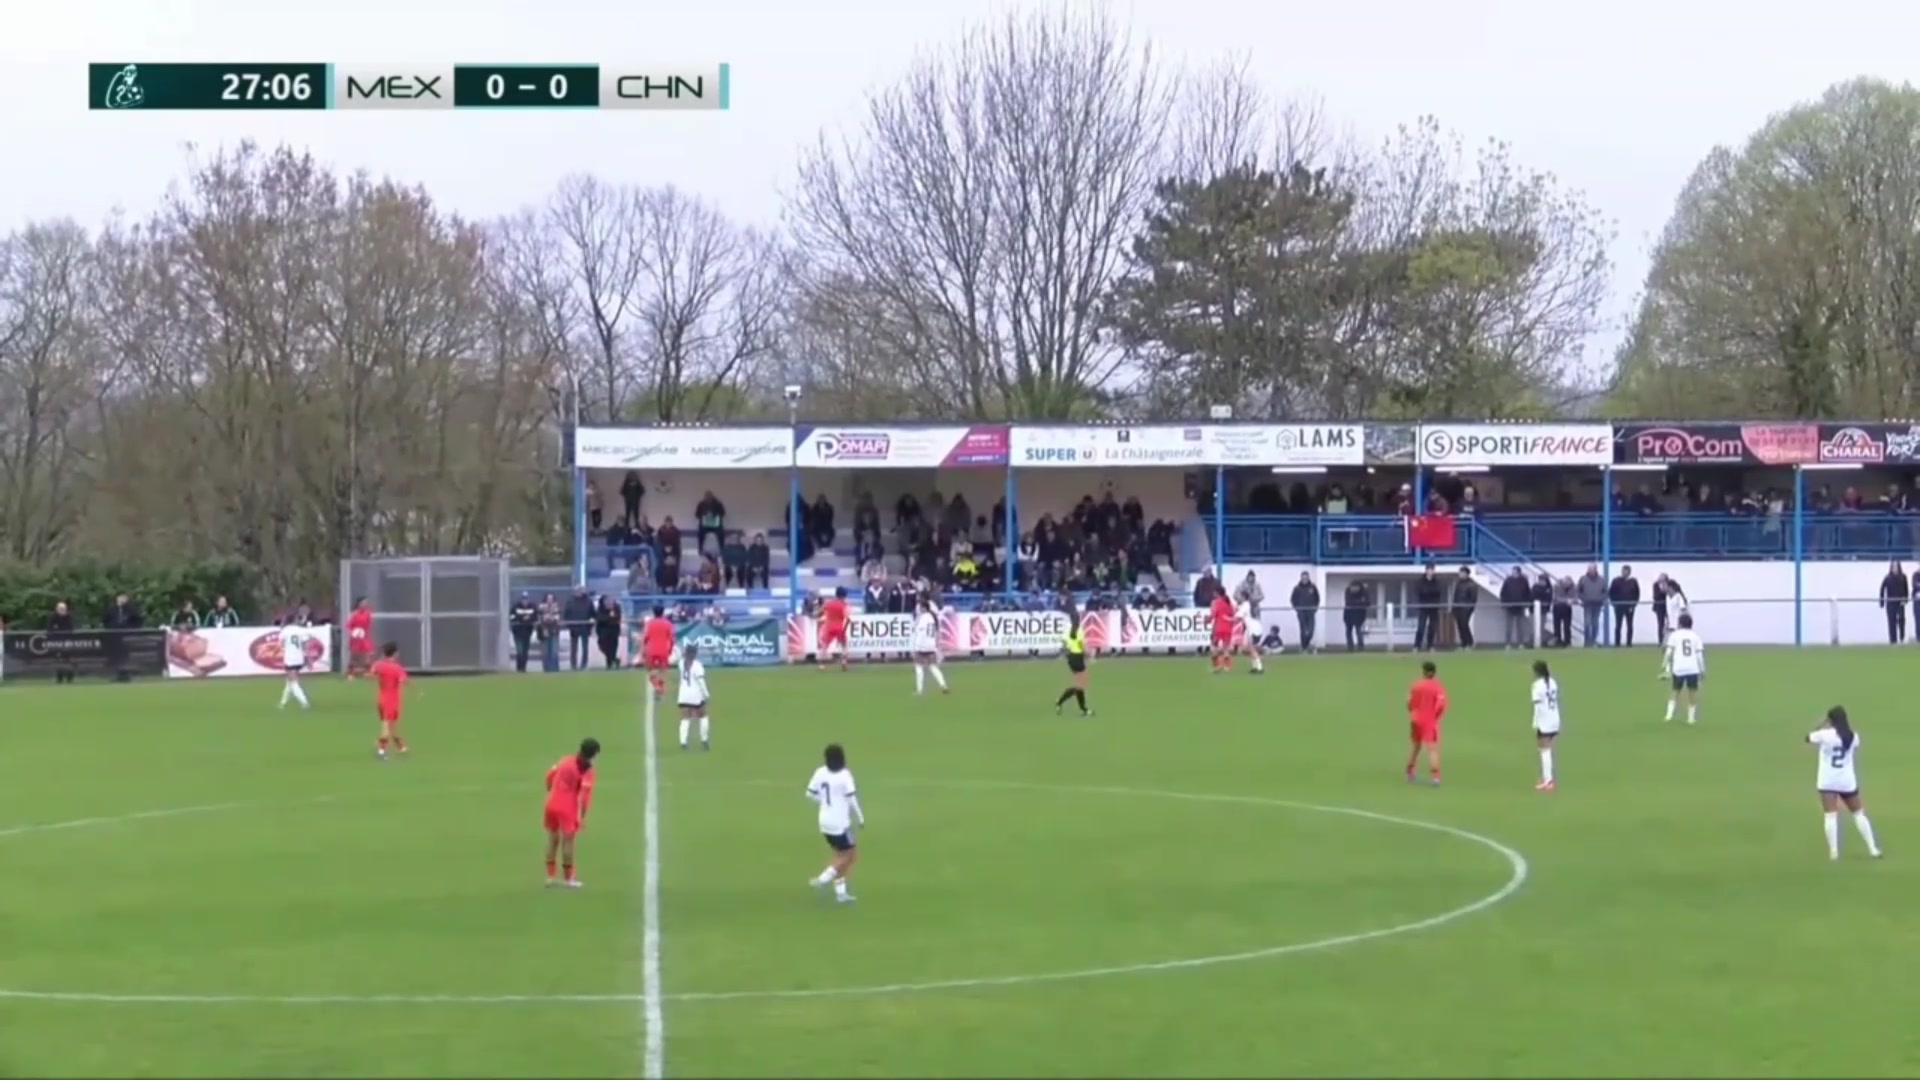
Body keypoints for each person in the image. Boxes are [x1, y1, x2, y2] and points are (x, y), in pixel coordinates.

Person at [1806, 706, 1882, 860]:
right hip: (1846, 781)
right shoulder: (1853, 737)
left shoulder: (1824, 735)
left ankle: (1834, 852)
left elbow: (1808, 738)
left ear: (1830, 720)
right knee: (1859, 814)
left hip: (1827, 781)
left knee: (1830, 816)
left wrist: (1821, 724)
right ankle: (1872, 849)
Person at [806, 742, 864, 904]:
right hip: (840, 824)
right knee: (851, 856)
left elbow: (809, 793)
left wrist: (824, 802)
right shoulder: (844, 775)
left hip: (824, 822)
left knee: (840, 856)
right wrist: (860, 817)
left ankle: (841, 893)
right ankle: (823, 878)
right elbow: (851, 798)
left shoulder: (820, 772)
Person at [544, 737, 601, 888]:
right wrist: (582, 817)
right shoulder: (588, 772)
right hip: (567, 807)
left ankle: (550, 876)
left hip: (551, 803)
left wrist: (551, 790)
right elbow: (585, 799)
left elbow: (549, 776)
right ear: (592, 755)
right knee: (568, 842)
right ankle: (569, 879)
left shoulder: (565, 760)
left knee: (552, 839)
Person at [1662, 611, 1705, 725]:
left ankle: (1668, 716)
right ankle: (1691, 718)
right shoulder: (1696, 637)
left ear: (1680, 624)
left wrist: (1664, 665)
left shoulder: (1674, 635)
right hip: (1692, 668)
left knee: (1675, 691)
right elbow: (1699, 656)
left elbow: (1668, 652)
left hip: (1678, 668)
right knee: (1692, 693)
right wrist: (1702, 670)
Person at [1406, 660, 1445, 785]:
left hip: (1415, 719)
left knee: (1416, 746)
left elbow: (1409, 702)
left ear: (1424, 672)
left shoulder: (1416, 685)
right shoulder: (1437, 687)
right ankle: (1436, 776)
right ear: (1434, 673)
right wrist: (1435, 717)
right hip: (1429, 721)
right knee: (1432, 749)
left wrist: (1413, 713)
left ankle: (1410, 771)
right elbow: (1440, 705)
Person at [372, 643, 408, 759]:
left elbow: (371, 674)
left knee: (392, 725)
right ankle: (381, 750)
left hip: (381, 699)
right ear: (395, 653)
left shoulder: (378, 664)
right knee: (387, 726)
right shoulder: (397, 668)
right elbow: (403, 680)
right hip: (391, 701)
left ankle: (401, 747)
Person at [1054, 608, 1093, 717]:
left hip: (1071, 658)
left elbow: (1063, 644)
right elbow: (1081, 645)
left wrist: (1067, 653)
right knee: (1080, 685)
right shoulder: (1079, 630)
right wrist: (1089, 655)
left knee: (1080, 685)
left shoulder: (1067, 629)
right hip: (1078, 658)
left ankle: (1083, 709)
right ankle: (1060, 701)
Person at [1530, 659, 1561, 791]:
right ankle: (1548, 779)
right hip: (1555, 717)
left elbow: (1538, 706)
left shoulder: (1537, 685)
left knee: (1544, 749)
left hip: (1545, 720)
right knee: (1546, 749)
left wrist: (1535, 722)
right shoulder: (1552, 682)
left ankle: (1548, 780)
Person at [910, 597, 948, 695]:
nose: (918, 609)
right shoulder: (933, 617)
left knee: (919, 667)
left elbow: (919, 633)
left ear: (923, 608)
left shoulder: (922, 618)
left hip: (922, 645)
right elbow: (936, 632)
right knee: (933, 667)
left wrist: (915, 648)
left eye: (920, 607)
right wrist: (936, 646)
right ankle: (943, 685)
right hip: (931, 645)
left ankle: (919, 690)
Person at [677, 642, 711, 751]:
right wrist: (706, 694)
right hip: (695, 695)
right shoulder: (697, 665)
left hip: (683, 695)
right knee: (703, 715)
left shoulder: (681, 663)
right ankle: (704, 740)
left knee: (685, 717)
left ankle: (683, 742)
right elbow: (701, 682)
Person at [640, 603, 675, 697]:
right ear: (663, 612)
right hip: (663, 650)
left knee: (650, 670)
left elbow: (645, 638)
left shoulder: (649, 623)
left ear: (653, 612)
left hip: (651, 650)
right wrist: (670, 649)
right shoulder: (668, 624)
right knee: (662, 670)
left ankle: (656, 685)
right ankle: (661, 687)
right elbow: (672, 639)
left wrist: (643, 651)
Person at [278, 620, 312, 710]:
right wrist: (308, 659)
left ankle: (304, 702)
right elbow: (305, 645)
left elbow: (281, 644)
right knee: (289, 681)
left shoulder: (285, 631)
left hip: (290, 659)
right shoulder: (300, 630)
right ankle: (282, 703)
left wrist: (285, 649)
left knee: (293, 682)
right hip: (299, 658)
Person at [818, 587, 851, 671]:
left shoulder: (828, 603)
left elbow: (820, 611)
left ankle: (821, 664)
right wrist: (847, 624)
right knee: (844, 645)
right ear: (844, 595)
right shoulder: (844, 604)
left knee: (825, 646)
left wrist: (816, 615)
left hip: (829, 627)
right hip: (839, 627)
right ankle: (844, 662)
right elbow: (847, 616)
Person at [1234, 592, 1267, 674]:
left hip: (1253, 628)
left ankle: (1259, 667)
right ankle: (1254, 666)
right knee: (1246, 648)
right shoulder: (1246, 605)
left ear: (1243, 597)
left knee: (1251, 648)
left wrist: (1227, 619)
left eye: (1239, 596)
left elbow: (1237, 617)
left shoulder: (1245, 605)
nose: (1238, 598)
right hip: (1251, 628)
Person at [344, 597, 375, 679]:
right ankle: (350, 674)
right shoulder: (354, 614)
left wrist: (364, 633)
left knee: (368, 654)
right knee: (354, 656)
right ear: (359, 604)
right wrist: (354, 633)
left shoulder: (368, 613)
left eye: (366, 602)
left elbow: (368, 625)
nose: (365, 604)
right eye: (363, 602)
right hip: (355, 638)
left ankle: (367, 672)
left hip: (364, 637)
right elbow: (348, 626)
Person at [1209, 587, 1236, 673]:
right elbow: (1232, 614)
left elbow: (1213, 614)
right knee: (1226, 648)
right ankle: (1226, 667)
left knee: (1214, 646)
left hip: (1218, 627)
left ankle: (1216, 665)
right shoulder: (1229, 602)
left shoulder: (1215, 602)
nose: (1213, 594)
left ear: (1217, 593)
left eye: (1214, 592)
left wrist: (1207, 620)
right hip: (1228, 628)